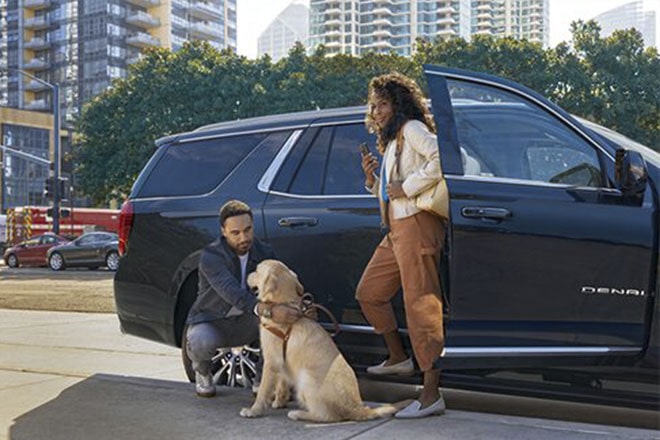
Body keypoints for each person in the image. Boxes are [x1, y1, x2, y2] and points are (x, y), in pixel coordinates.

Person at [356, 72, 447, 418]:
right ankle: (398, 357)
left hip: (417, 226)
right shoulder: (393, 140)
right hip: (396, 228)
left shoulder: (412, 129)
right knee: (370, 292)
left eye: (382, 104)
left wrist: (407, 186)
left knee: (421, 306)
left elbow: (442, 159)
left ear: (398, 104)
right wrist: (372, 180)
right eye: (373, 106)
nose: (376, 111)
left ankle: (431, 394)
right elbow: (390, 190)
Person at [185, 200, 302, 397]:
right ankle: (203, 372)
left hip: (249, 321)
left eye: (248, 230)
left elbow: (279, 286)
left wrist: (295, 306)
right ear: (223, 231)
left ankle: (262, 381)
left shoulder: (264, 252)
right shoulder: (210, 256)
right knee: (199, 340)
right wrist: (269, 310)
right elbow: (231, 292)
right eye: (235, 233)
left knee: (282, 326)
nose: (244, 237)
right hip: (214, 321)